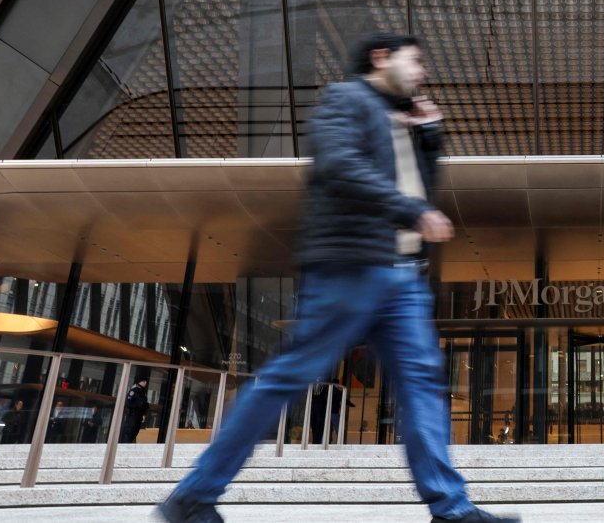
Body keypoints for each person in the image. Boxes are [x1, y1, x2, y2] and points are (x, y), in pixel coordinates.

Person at [157, 32, 519, 523]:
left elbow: (420, 188)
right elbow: (340, 165)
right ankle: (194, 495)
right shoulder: (345, 99)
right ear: (380, 58)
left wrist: (430, 136)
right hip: (350, 268)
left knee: (422, 384)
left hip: (403, 278)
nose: (422, 73)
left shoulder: (402, 120)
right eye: (414, 62)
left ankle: (451, 508)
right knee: (289, 377)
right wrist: (409, 209)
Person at [121, 378, 150, 443]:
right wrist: (138, 405)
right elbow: (128, 403)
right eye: (143, 381)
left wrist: (144, 406)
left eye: (145, 381)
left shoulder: (143, 392)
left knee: (134, 433)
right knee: (128, 434)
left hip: (139, 417)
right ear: (139, 382)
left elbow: (144, 404)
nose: (145, 383)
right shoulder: (134, 390)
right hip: (132, 416)